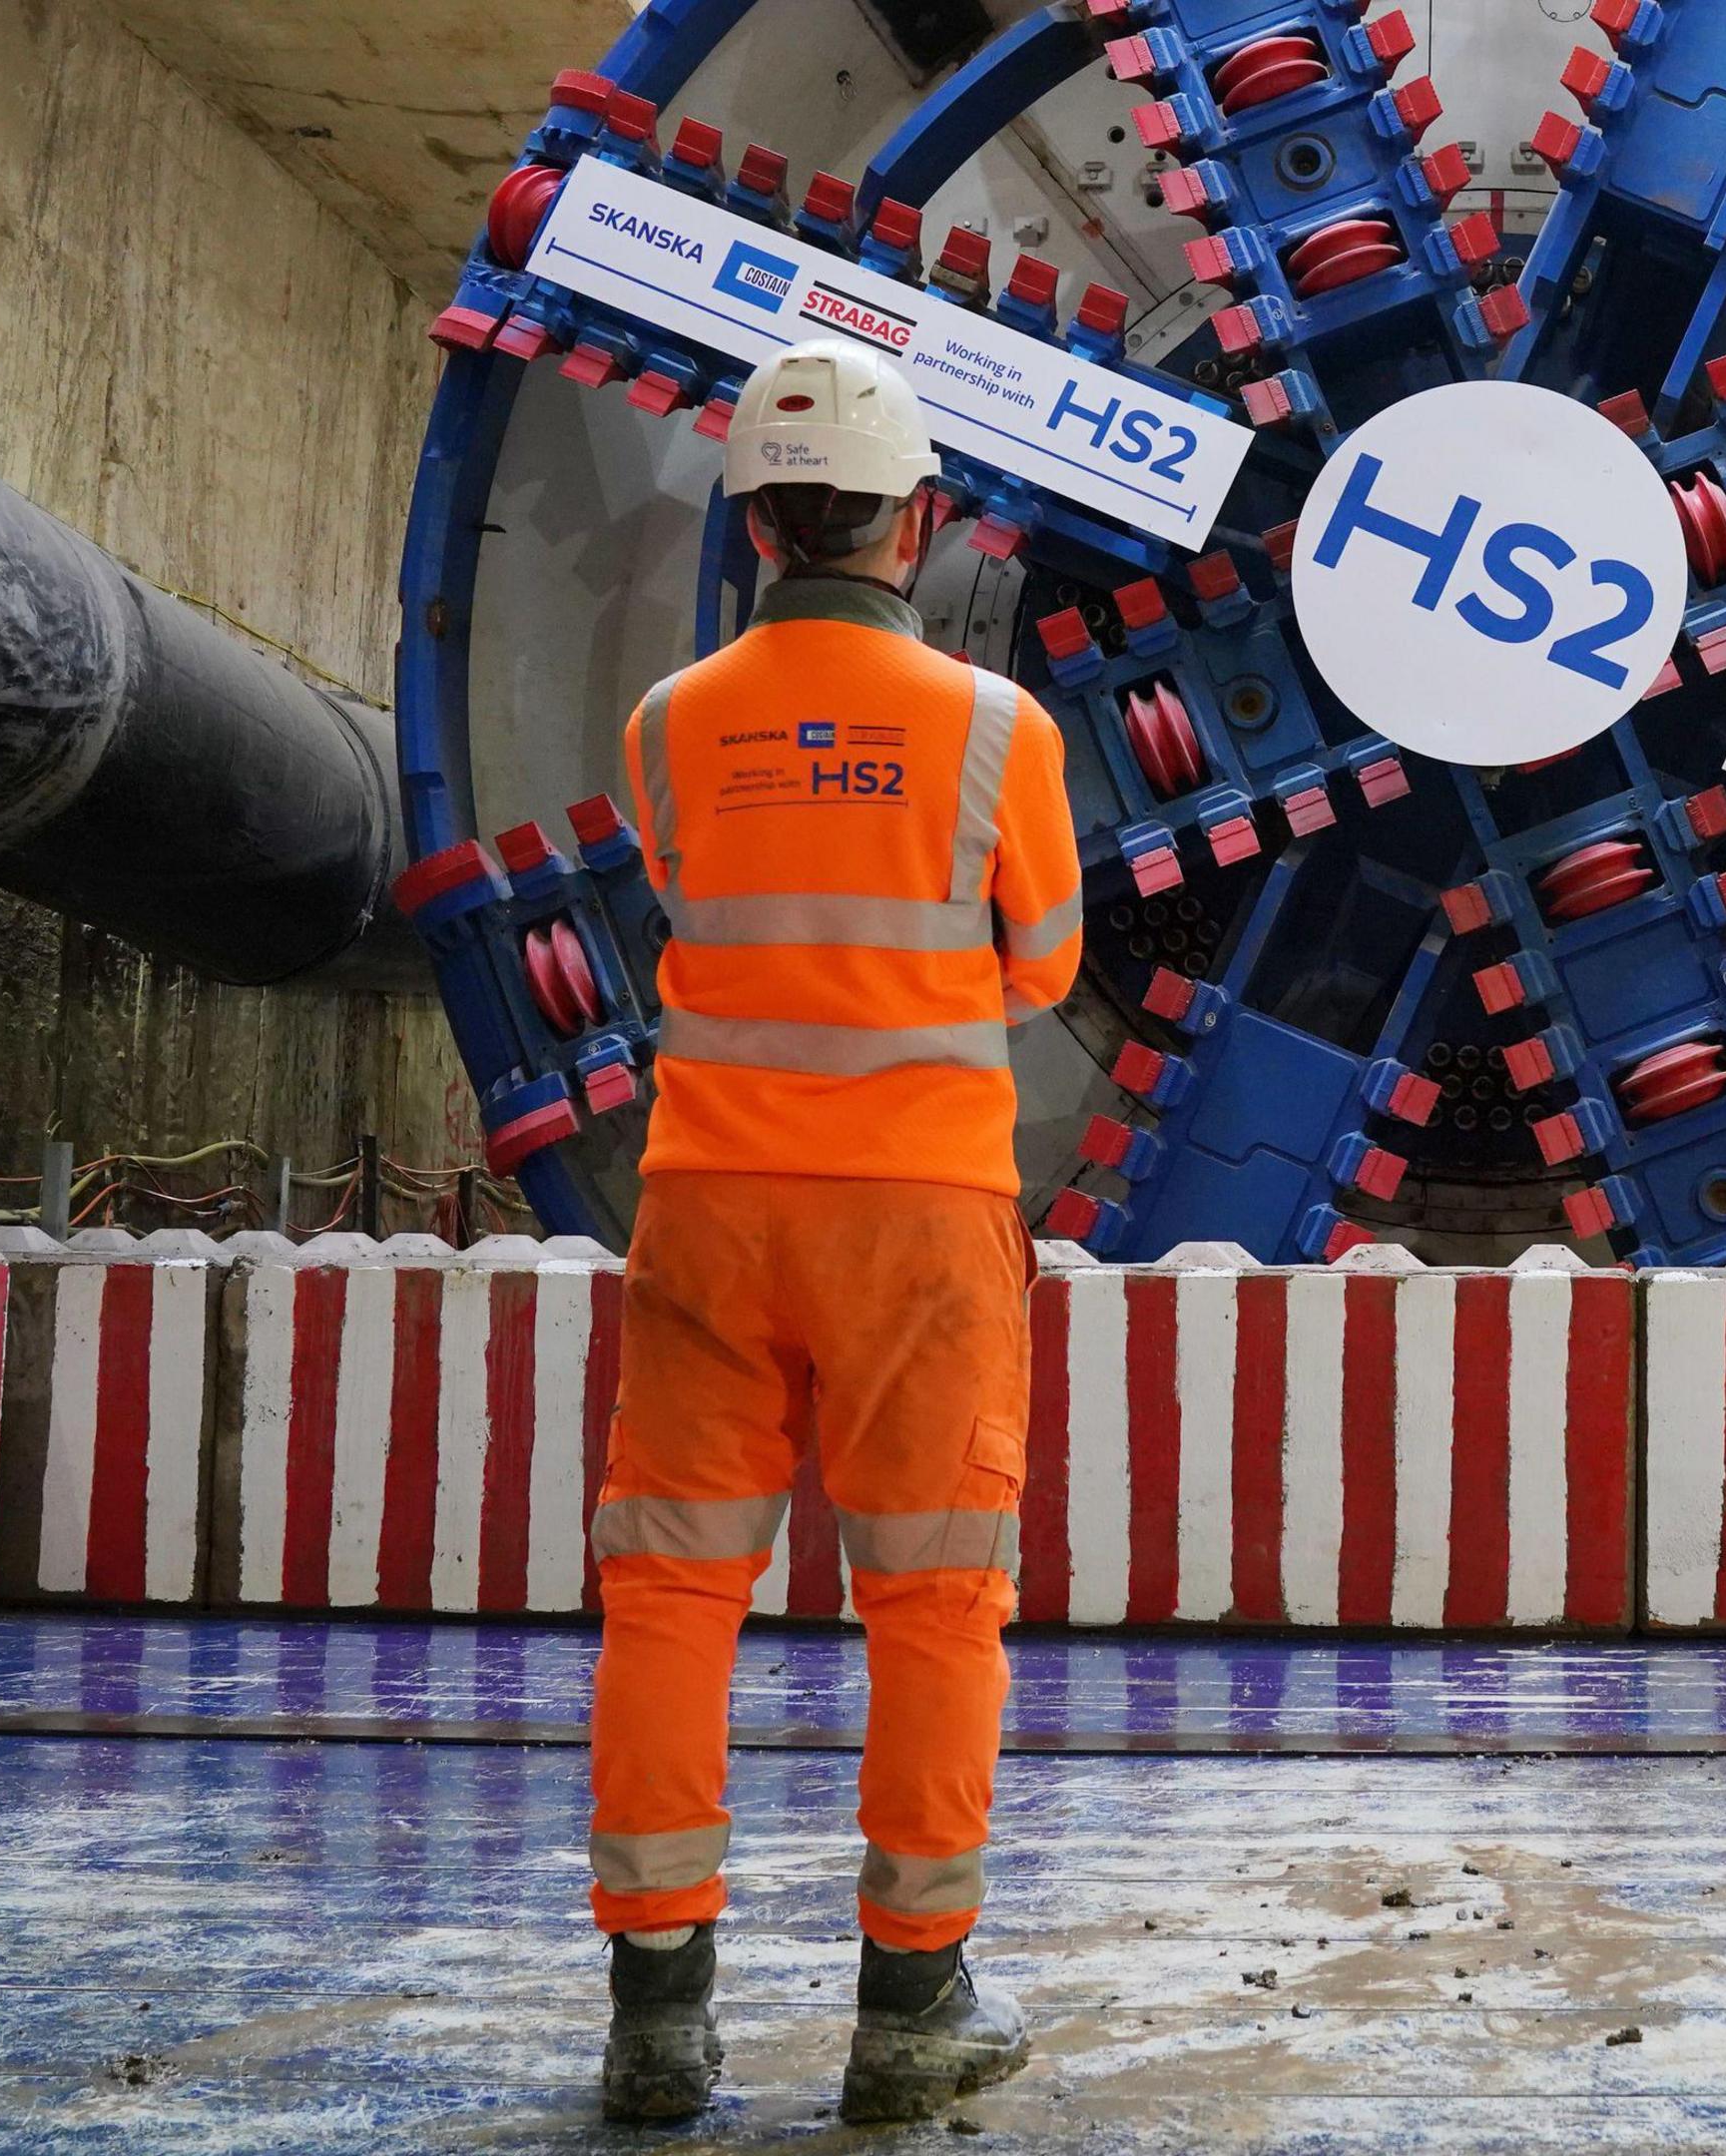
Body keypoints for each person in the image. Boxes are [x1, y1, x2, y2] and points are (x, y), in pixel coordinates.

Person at [583, 335, 1082, 2127]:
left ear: (749, 524)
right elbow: (1044, 967)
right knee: (937, 1606)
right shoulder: (997, 731)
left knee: (671, 1590)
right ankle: (909, 2012)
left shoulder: (667, 723)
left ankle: (656, 2022)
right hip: (922, 1219)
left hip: (706, 1207)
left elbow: (682, 894)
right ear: (920, 522)